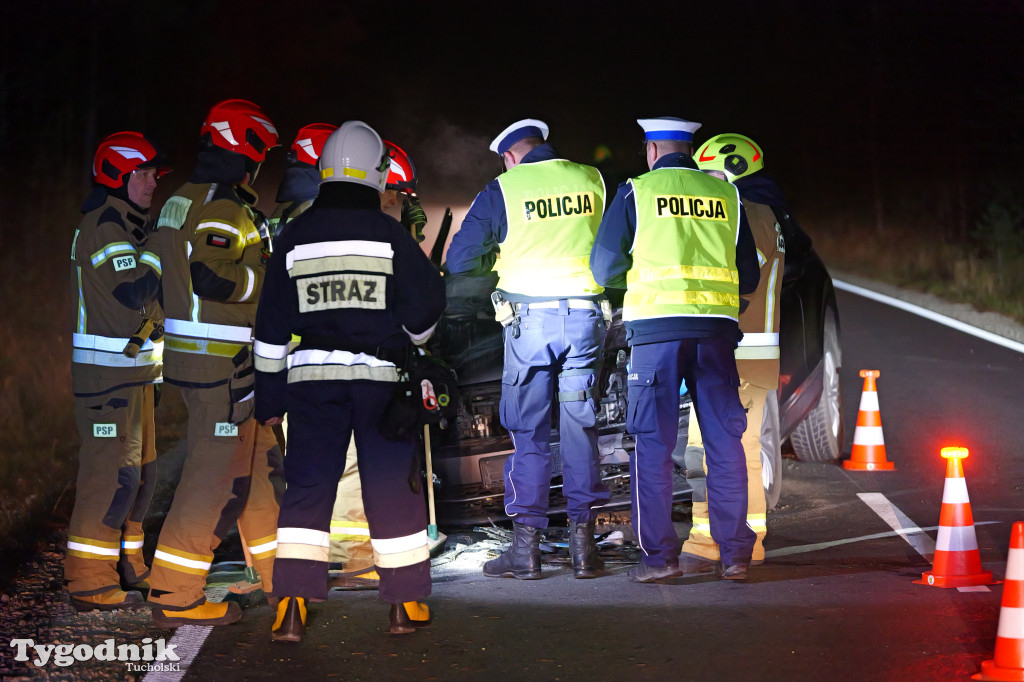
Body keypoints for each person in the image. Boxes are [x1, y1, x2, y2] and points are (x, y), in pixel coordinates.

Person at [253, 120, 445, 641]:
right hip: (381, 382)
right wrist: (415, 338)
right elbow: (427, 305)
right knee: (390, 486)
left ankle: (290, 604)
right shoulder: (388, 235)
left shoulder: (294, 235)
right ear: (377, 174)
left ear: (324, 171)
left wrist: (269, 396)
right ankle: (404, 605)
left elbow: (269, 330)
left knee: (308, 488)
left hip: (311, 381)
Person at [590, 117, 760, 582]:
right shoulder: (728, 196)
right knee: (724, 444)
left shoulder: (637, 192)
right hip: (717, 336)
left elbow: (603, 267)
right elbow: (748, 277)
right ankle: (735, 556)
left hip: (656, 336)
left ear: (651, 150)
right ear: (692, 150)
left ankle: (660, 559)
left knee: (654, 446)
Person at [446, 119, 610, 580]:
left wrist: (495, 267)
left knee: (529, 433)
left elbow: (459, 260)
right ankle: (585, 550)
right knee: (581, 430)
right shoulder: (590, 179)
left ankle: (527, 552)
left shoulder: (505, 187)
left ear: (510, 156)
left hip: (529, 326)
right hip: (585, 320)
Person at [147, 99, 284, 626]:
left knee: (259, 471)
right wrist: (270, 287)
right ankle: (175, 595)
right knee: (214, 479)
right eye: (259, 153)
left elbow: (162, 276)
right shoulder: (225, 206)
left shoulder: (180, 199)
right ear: (243, 147)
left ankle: (281, 580)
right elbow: (210, 274)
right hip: (221, 364)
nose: (261, 163)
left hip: (209, 360)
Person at [66, 131, 169, 611]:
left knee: (142, 477)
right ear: (117, 176)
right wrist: (162, 248)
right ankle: (89, 580)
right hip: (106, 384)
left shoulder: (131, 225)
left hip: (135, 379)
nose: (152, 182)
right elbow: (133, 292)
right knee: (109, 478)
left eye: (153, 174)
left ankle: (131, 567)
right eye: (144, 174)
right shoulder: (105, 226)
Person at [679, 133, 786, 572]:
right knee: (725, 448)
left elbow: (733, 278)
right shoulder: (769, 213)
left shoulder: (745, 214)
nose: (705, 185)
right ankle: (730, 536)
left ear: (735, 173)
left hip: (738, 351)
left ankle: (726, 540)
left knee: (723, 449)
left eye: (711, 176)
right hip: (755, 350)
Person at [327, 139, 426, 591]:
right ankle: (355, 560)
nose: (401, 205)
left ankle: (355, 553)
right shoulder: (372, 230)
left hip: (338, 364)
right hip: (349, 366)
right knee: (350, 461)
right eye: (398, 196)